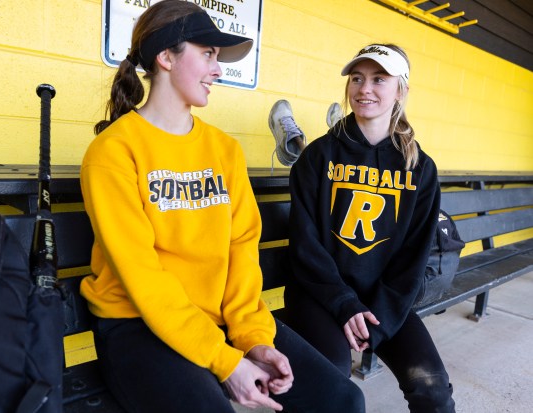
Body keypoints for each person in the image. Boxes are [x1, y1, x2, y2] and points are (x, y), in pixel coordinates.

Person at [79, 1, 365, 412]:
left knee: (343, 399)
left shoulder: (224, 150)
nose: (218, 68)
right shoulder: (113, 152)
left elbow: (241, 251)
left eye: (218, 57)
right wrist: (226, 360)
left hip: (221, 319)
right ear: (165, 57)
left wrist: (254, 339)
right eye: (207, 54)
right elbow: (142, 277)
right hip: (136, 324)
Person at [281, 44, 456, 412]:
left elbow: (413, 257)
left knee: (433, 390)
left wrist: (375, 320)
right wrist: (345, 305)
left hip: (383, 301)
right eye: (357, 79)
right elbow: (305, 245)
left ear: (400, 90)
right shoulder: (318, 157)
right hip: (320, 295)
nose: (365, 89)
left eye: (379, 79)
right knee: (330, 382)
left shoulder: (420, 169)